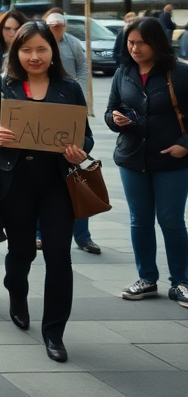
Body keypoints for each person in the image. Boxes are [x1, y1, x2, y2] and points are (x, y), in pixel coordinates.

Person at [0, 22, 93, 363]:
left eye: (41, 49)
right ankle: (16, 292)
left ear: (52, 52)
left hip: (57, 185)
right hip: (15, 185)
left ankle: (54, 331)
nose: (34, 56)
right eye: (26, 50)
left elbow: (85, 136)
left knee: (59, 256)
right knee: (22, 251)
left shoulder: (68, 88)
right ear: (16, 53)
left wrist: (79, 150)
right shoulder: (1, 85)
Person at [107, 17, 188, 307]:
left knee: (170, 220)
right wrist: (115, 120)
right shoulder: (123, 72)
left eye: (141, 42)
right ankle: (147, 279)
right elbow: (110, 110)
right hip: (132, 158)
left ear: (156, 42)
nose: (134, 48)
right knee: (139, 221)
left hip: (172, 160)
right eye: (130, 42)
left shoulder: (179, 72)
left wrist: (183, 146)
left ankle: (181, 281)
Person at [42, 11, 100, 255]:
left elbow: (83, 68)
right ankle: (39, 234)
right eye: (51, 26)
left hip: (70, 108)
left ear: (64, 26)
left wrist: (82, 95)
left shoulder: (73, 44)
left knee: (75, 177)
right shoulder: (41, 43)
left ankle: (82, 236)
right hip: (43, 116)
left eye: (58, 26)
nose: (56, 29)